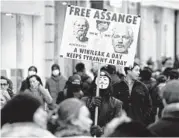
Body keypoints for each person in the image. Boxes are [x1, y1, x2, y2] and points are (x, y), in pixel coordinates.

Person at [82, 70, 122, 137]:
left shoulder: (116, 103)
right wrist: (90, 106)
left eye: (105, 79)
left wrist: (102, 130)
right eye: (100, 79)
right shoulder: (84, 100)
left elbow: (117, 125)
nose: (102, 81)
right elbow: (80, 119)